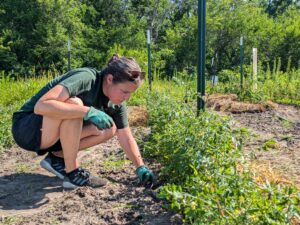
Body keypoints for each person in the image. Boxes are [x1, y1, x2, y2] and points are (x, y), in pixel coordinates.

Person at [11, 54, 154, 189]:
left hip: (50, 135)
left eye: (130, 93)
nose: (127, 97)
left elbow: (126, 136)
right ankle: (73, 173)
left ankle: (57, 158)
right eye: (124, 91)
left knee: (110, 128)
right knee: (75, 103)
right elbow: (41, 105)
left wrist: (140, 166)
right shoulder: (86, 78)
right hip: (27, 129)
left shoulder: (116, 103)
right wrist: (87, 112)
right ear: (110, 79)